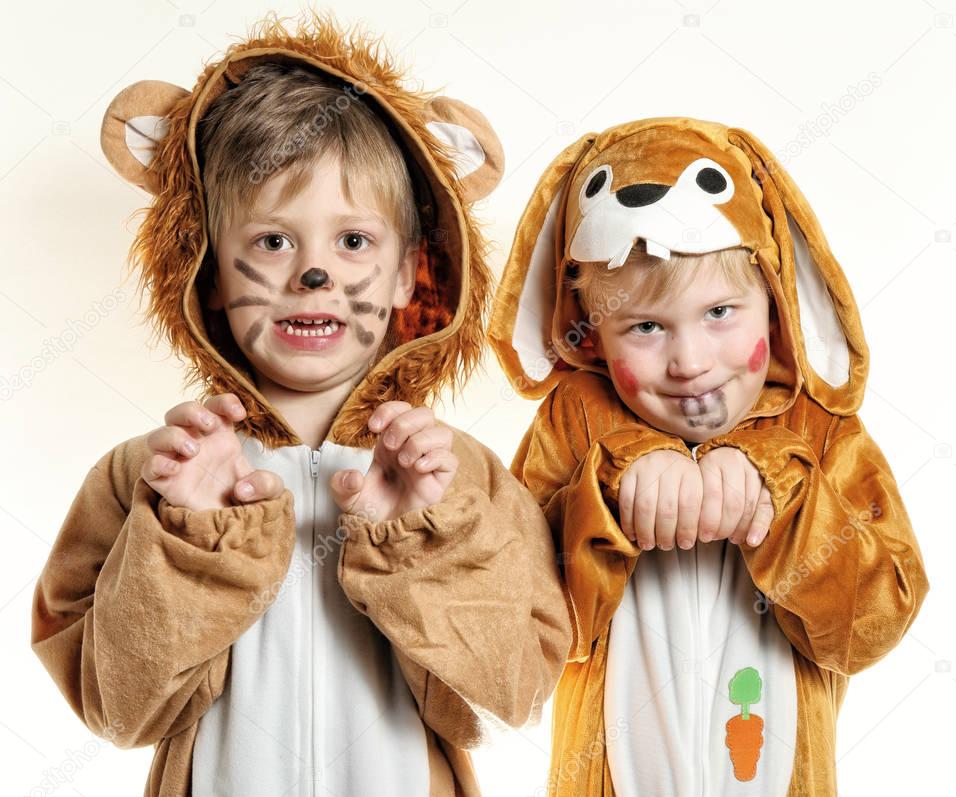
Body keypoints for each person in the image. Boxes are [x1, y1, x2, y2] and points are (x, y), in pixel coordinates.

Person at [31, 12, 570, 796]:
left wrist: (419, 540)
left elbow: (504, 701)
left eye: (352, 241)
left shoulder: (461, 479)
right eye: (273, 241)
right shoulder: (147, 474)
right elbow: (119, 712)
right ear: (208, 270)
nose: (311, 274)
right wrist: (189, 540)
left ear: (406, 274)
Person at [487, 117, 929, 795]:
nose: (689, 362)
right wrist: (605, 500)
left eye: (720, 312)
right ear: (592, 334)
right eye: (644, 327)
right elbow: (515, 630)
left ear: (775, 306)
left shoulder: (821, 429)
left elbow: (870, 626)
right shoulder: (573, 424)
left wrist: (779, 501)